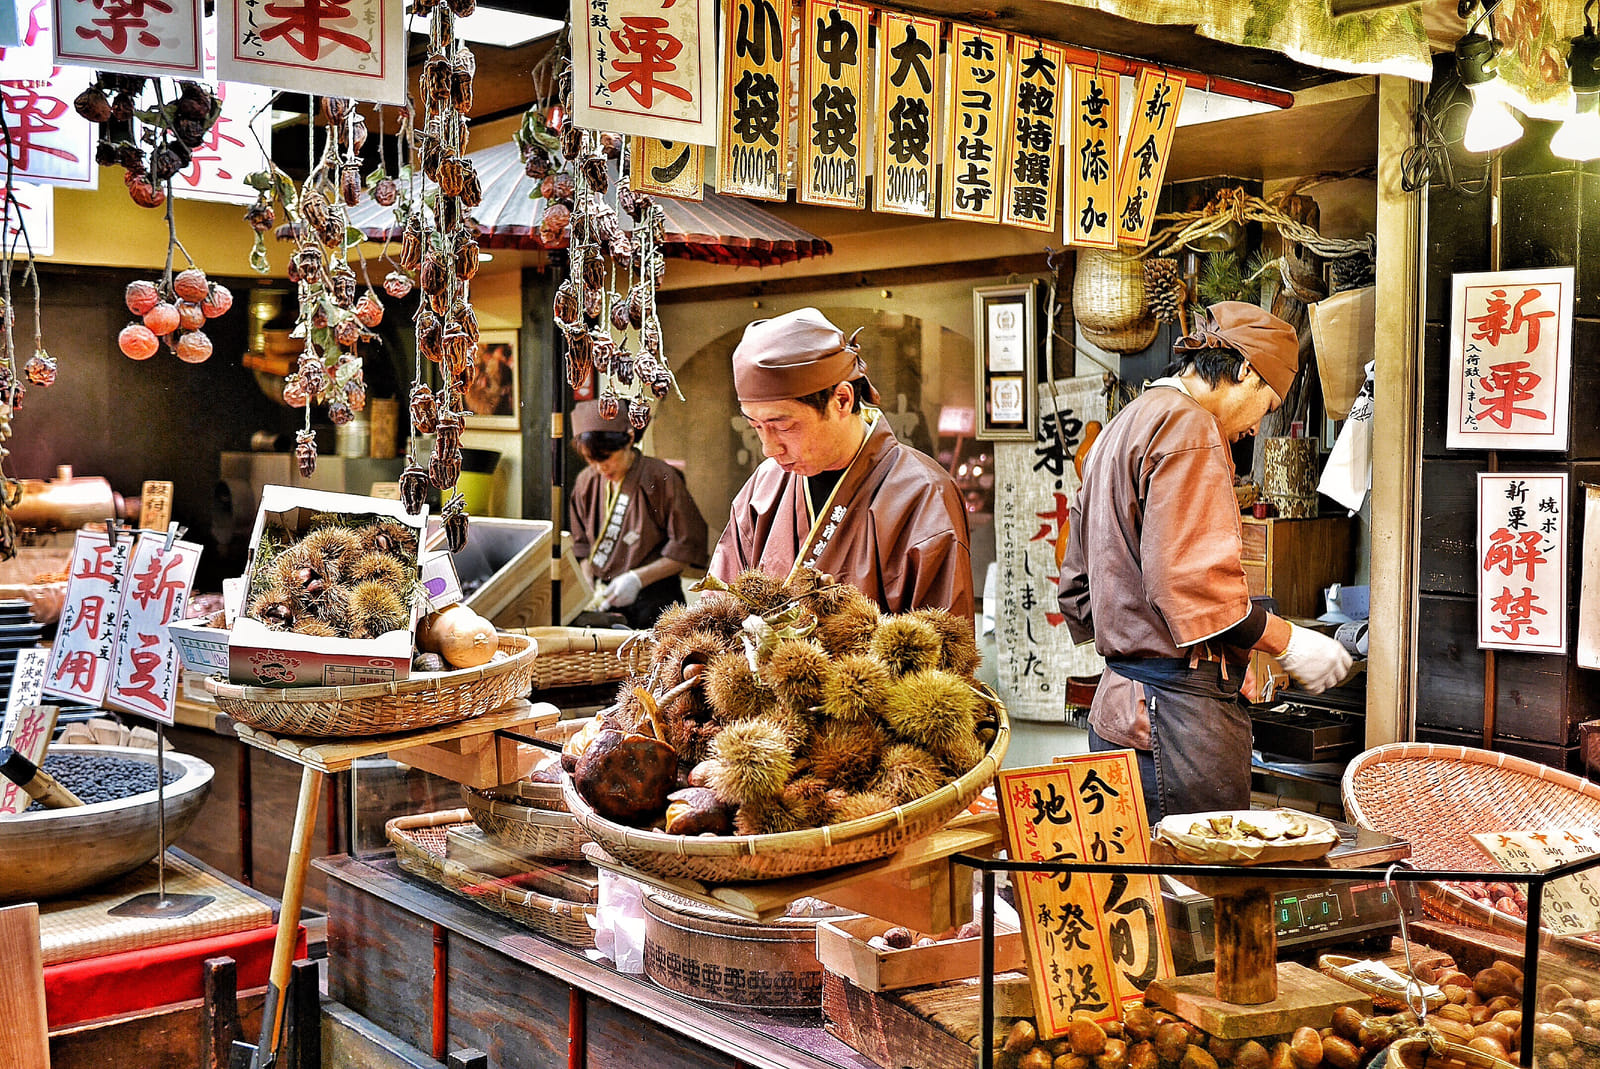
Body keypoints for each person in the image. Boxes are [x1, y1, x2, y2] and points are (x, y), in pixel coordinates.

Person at [1057, 301, 1352, 822]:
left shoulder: (1121, 428)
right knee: (1198, 895)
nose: (1256, 428)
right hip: (1175, 720)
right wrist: (1290, 642)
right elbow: (1190, 582)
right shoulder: (1188, 427)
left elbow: (1077, 585)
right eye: (1266, 404)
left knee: (1138, 891)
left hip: (1117, 710)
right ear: (1243, 371)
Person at [710, 307, 974, 620]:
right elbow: (717, 610)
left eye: (782, 425)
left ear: (842, 400)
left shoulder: (924, 493)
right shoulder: (763, 485)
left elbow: (941, 652)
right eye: (756, 426)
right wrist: (695, 661)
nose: (769, 448)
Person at [569, 399, 709, 630]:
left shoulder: (661, 477)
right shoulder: (586, 481)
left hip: (655, 602)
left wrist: (637, 579)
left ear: (630, 438)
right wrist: (588, 588)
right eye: (590, 460)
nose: (599, 468)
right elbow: (581, 546)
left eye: (605, 457)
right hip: (606, 604)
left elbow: (686, 547)